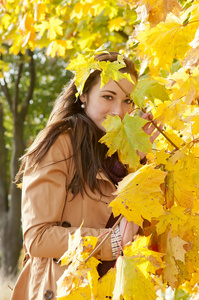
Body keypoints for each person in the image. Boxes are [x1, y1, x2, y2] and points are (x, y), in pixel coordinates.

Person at [11, 51, 158, 300]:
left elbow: (137, 235)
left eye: (128, 101)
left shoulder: (124, 154)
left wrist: (137, 163)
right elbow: (37, 238)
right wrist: (107, 243)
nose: (118, 111)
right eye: (108, 97)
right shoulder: (60, 144)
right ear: (84, 95)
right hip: (64, 289)